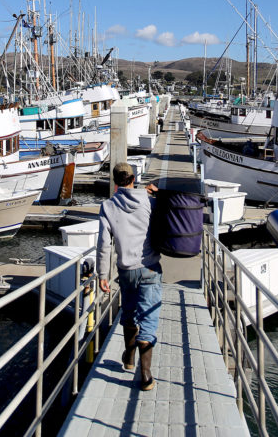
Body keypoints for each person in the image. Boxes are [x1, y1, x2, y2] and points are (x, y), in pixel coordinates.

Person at [97, 162, 161, 391]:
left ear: (115, 182)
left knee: (129, 313)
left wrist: (102, 273)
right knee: (148, 318)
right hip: (150, 267)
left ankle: (129, 358)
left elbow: (104, 245)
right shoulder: (149, 201)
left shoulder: (107, 206)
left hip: (125, 270)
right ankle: (145, 375)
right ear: (134, 178)